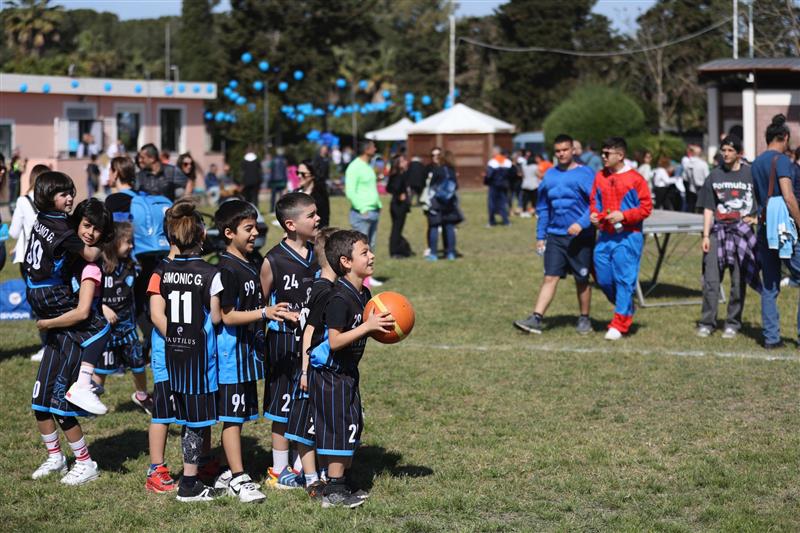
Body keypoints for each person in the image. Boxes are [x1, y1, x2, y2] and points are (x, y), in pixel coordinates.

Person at [29, 195, 114, 485]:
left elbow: (81, 313)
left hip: (74, 340)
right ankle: (55, 457)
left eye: (97, 230)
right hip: (58, 337)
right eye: (86, 225)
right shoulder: (69, 256)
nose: (90, 233)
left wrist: (47, 322)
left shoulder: (89, 267)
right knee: (39, 403)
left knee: (61, 406)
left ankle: (85, 462)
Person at [308, 230, 395, 507]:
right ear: (346, 262)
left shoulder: (364, 293)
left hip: (347, 372)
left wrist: (381, 329)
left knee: (352, 425)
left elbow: (364, 329)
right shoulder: (338, 299)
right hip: (329, 374)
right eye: (365, 252)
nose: (372, 256)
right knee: (337, 428)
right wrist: (367, 327)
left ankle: (342, 481)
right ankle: (333, 491)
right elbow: (334, 342)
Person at [214, 200, 292, 503]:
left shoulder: (248, 263)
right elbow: (226, 316)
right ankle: (238, 477)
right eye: (248, 229)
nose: (255, 233)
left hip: (245, 356)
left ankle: (223, 469)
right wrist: (265, 313)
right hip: (230, 356)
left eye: (256, 226)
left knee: (239, 416)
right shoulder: (227, 268)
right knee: (232, 418)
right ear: (229, 232)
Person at [149, 201, 225, 502]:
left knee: (193, 415)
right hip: (184, 354)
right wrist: (184, 341)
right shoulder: (206, 272)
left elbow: (157, 313)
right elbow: (215, 317)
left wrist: (177, 340)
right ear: (202, 235)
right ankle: (171, 475)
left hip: (175, 349)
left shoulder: (165, 272)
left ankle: (200, 464)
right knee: (179, 414)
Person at [26, 175, 110, 417]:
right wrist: (104, 244)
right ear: (47, 197)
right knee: (99, 327)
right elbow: (91, 256)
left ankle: (78, 378)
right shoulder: (63, 229)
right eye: (62, 194)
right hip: (49, 290)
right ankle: (82, 384)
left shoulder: (43, 218)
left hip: (34, 287)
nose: (70, 198)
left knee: (72, 332)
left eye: (70, 192)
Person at [259, 192, 320, 489]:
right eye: (311, 215)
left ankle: (301, 463)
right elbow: (260, 304)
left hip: (312, 344)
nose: (317, 218)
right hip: (283, 344)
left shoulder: (319, 255)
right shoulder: (273, 260)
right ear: (291, 224)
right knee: (282, 408)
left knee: (308, 402)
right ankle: (278, 470)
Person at [514, 134, 596, 335]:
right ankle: (536, 318)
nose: (561, 153)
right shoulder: (549, 175)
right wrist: (540, 236)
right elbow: (543, 208)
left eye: (565, 150)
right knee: (550, 277)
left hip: (580, 237)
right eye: (558, 150)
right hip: (555, 236)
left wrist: (581, 223)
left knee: (582, 279)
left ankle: (584, 318)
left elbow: (596, 203)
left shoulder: (586, 174)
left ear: (573, 150)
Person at [290, 226, 339, 500]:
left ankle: (317, 472)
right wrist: (307, 370)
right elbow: (308, 331)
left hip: (319, 368)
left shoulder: (323, 284)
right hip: (311, 368)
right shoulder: (323, 290)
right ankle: (310, 478)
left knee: (317, 421)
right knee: (305, 424)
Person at [696, 135, 760, 339]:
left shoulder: (751, 175)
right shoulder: (714, 176)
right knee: (711, 280)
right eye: (724, 150)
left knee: (738, 280)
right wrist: (706, 235)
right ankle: (707, 322)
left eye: (730, 150)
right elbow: (708, 207)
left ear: (739, 153)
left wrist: (757, 218)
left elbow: (764, 200)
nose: (726, 154)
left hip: (742, 232)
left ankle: (733, 322)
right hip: (718, 231)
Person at [589, 137, 653, 340]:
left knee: (624, 280)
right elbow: (594, 202)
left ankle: (619, 323)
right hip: (605, 237)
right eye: (603, 152)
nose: (603, 156)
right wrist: (595, 216)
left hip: (628, 237)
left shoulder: (636, 179)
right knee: (603, 278)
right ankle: (625, 307)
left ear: (620, 155)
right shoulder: (599, 176)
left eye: (607, 153)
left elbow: (646, 208)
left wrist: (624, 216)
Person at [751, 114, 800, 349]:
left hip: (764, 227)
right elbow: (789, 197)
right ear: (785, 137)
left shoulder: (757, 162)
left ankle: (771, 338)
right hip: (784, 230)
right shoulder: (781, 161)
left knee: (770, 284)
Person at [92, 222, 151, 413]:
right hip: (106, 329)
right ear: (114, 243)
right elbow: (88, 294)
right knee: (101, 369)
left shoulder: (132, 267)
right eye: (127, 242)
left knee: (138, 363)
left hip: (128, 328)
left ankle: (142, 395)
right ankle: (92, 398)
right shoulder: (99, 267)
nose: (132, 246)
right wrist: (103, 307)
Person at [425, 150, 463, 261]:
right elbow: (456, 187)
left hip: (436, 202)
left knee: (434, 226)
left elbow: (431, 187)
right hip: (449, 203)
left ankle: (433, 253)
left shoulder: (437, 170)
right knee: (449, 227)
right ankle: (450, 252)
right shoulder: (452, 171)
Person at [345, 140, 382, 251]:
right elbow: (350, 191)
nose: (375, 149)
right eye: (373, 147)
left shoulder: (368, 166)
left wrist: (378, 205)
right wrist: (362, 209)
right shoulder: (354, 167)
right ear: (366, 150)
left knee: (371, 247)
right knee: (361, 249)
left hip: (373, 211)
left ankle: (368, 269)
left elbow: (371, 187)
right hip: (362, 214)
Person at [386, 153, 413, 258]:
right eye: (403, 161)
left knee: (398, 228)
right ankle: (395, 251)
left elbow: (389, 188)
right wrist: (398, 195)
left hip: (399, 206)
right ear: (398, 164)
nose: (406, 162)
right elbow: (391, 188)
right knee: (396, 229)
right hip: (398, 206)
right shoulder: (397, 175)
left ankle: (401, 249)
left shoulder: (401, 174)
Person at [484, 146, 513, 226]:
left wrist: (486, 182)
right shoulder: (507, 162)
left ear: (496, 152)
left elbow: (489, 175)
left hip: (494, 186)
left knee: (491, 204)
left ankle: (491, 221)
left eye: (492, 152)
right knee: (503, 203)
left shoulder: (492, 162)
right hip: (504, 185)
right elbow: (511, 174)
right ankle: (506, 221)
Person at [298, 159, 330, 228]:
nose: (299, 176)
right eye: (298, 173)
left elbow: (324, 222)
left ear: (313, 175)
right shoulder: (296, 193)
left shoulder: (320, 196)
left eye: (303, 174)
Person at [683, 145, 710, 213]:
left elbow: (685, 178)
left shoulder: (687, 164)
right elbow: (707, 177)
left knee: (691, 207)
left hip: (691, 188)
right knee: (701, 209)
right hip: (702, 188)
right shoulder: (703, 164)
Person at [519, 150, 539, 217]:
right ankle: (536, 212)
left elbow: (522, 175)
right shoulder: (535, 166)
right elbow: (538, 174)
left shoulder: (524, 166)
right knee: (535, 200)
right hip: (534, 185)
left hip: (525, 184)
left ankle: (524, 212)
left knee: (525, 200)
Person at [269, 148, 288, 213]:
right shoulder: (284, 160)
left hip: (274, 180)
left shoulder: (273, 160)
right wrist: (286, 180)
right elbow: (285, 171)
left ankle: (271, 210)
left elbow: (270, 169)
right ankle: (280, 210)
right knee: (281, 196)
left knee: (273, 196)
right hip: (282, 180)